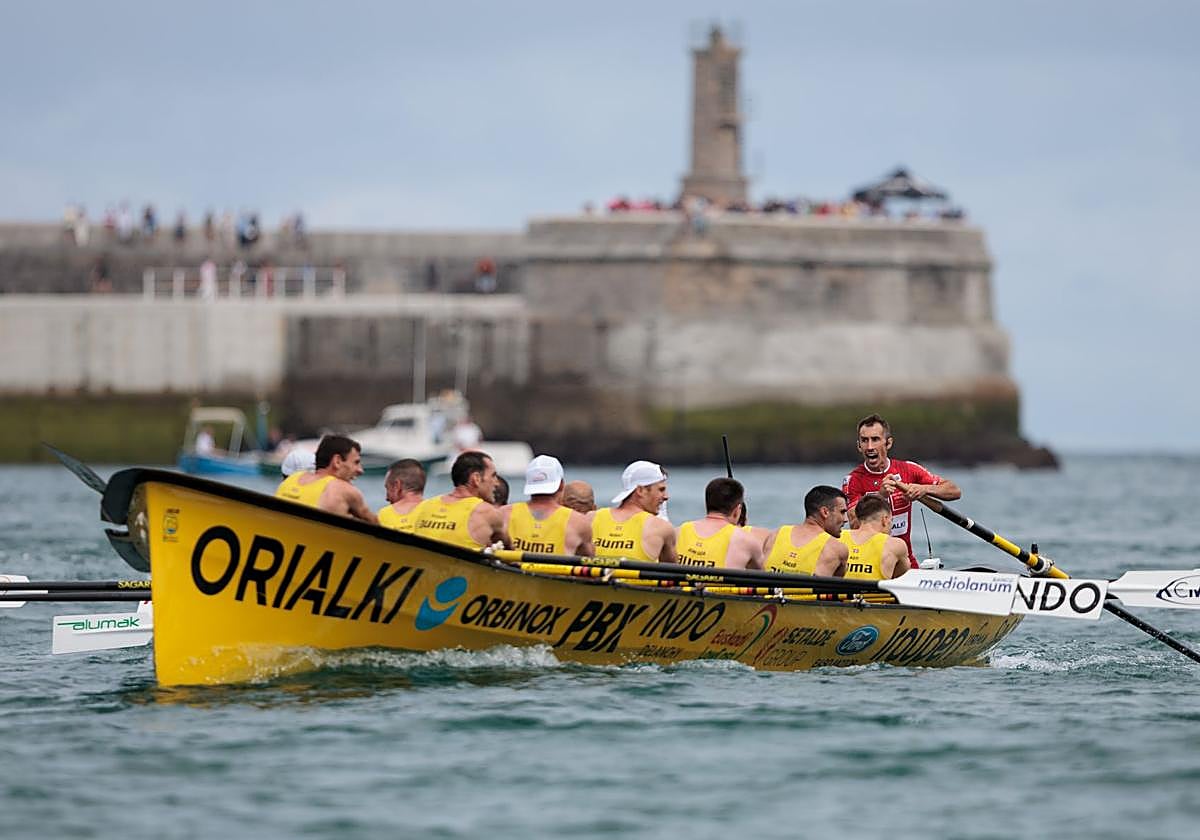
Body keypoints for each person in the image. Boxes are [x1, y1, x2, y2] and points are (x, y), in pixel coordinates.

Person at [842, 413, 962, 568]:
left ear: (888, 443)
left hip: (905, 562)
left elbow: (954, 491)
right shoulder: (853, 480)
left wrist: (923, 489)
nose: (870, 447)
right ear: (859, 446)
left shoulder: (908, 470)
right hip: (869, 564)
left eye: (875, 439)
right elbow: (854, 524)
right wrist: (880, 497)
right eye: (865, 441)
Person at [412, 451, 509, 550]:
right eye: (493, 476)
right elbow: (509, 549)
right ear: (476, 478)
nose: (496, 483)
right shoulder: (488, 512)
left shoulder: (425, 505)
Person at [501, 455, 594, 556]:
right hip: (555, 571)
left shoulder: (503, 514)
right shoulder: (578, 522)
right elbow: (589, 562)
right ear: (561, 484)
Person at [275, 434, 377, 524]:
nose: (360, 470)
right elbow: (381, 530)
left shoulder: (291, 480)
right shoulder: (343, 489)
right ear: (337, 461)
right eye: (356, 462)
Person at [591, 461, 676, 563]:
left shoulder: (590, 518)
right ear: (640, 490)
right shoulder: (662, 527)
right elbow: (674, 575)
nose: (666, 496)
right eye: (661, 490)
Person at [676, 478, 764, 569]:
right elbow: (762, 579)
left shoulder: (679, 531)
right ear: (737, 510)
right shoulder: (747, 540)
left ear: (707, 504)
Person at [762, 485, 849, 577]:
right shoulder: (836, 548)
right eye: (842, 512)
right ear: (825, 512)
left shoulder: (776, 534)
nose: (845, 519)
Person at [839, 493, 910, 581]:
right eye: (891, 520)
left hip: (838, 593)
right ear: (885, 519)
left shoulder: (837, 537)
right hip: (875, 594)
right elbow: (903, 577)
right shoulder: (896, 545)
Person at [377, 458, 427, 533]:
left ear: (397, 485)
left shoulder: (384, 515)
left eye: (388, 488)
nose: (386, 498)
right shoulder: (435, 511)